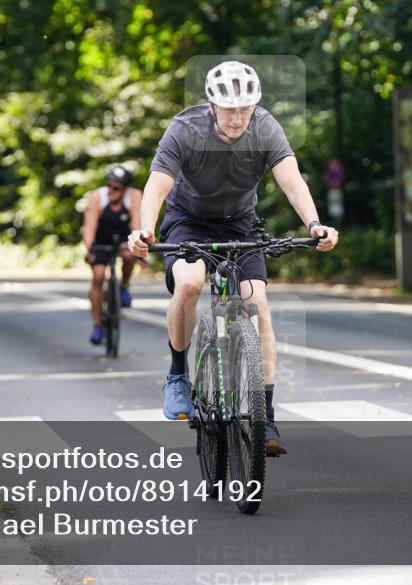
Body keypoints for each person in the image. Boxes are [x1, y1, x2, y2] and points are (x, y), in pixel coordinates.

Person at [127, 61, 339, 455]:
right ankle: (178, 376)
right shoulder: (185, 129)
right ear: (212, 106)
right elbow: (157, 186)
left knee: (259, 307)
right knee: (189, 285)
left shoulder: (265, 127)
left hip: (241, 226)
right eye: (230, 110)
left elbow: (292, 180)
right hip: (189, 222)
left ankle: (265, 416)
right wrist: (144, 230)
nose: (239, 118)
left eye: (245, 109)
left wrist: (314, 224)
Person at [82, 166, 142, 345]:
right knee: (98, 276)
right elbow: (89, 226)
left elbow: (137, 224)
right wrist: (90, 250)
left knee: (130, 256)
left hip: (123, 239)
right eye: (109, 185)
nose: (110, 190)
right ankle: (97, 325)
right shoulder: (98, 197)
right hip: (101, 241)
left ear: (125, 189)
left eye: (116, 188)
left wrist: (137, 245)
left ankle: (123, 286)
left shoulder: (134, 196)